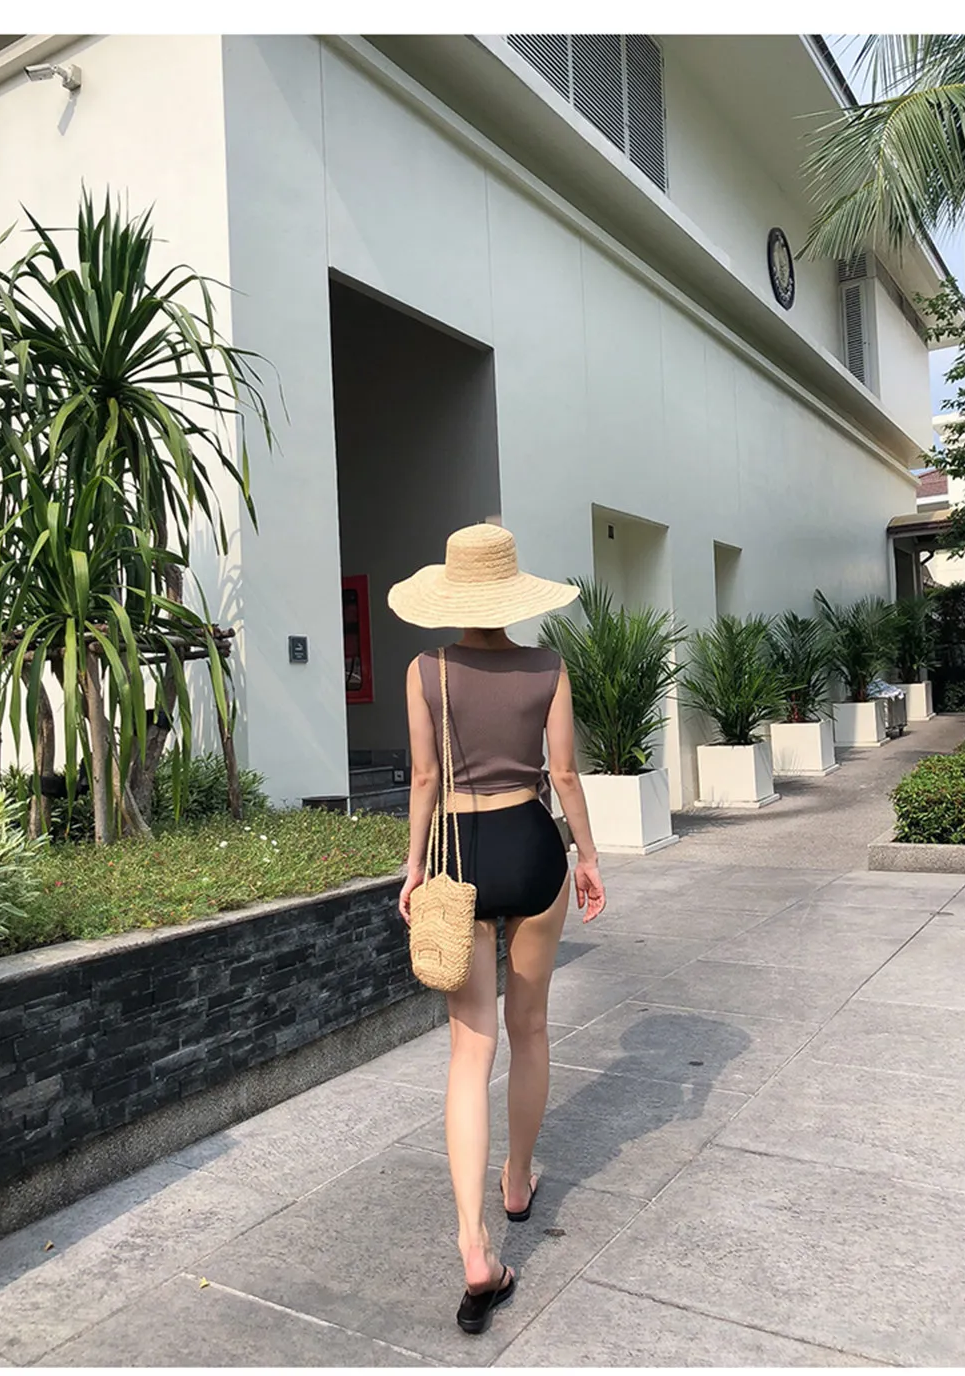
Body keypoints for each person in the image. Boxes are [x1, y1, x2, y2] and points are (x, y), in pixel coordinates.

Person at [388, 522, 606, 1335]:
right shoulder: (548, 667)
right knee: (532, 1027)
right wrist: (588, 857)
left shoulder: (426, 670)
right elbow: (564, 773)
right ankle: (517, 1181)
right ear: (512, 594)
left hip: (460, 853)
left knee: (469, 1049)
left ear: (453, 593)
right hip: (532, 844)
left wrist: (413, 867)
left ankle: (475, 1245)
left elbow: (423, 777)